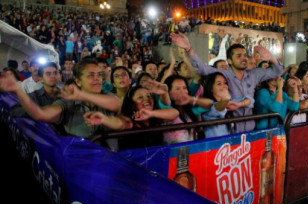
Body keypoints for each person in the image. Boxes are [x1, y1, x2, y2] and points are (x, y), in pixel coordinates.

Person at [170, 32, 284, 133]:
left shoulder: (254, 74)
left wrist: (272, 58)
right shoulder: (224, 75)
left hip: (250, 129)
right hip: (231, 130)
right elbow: (202, 69)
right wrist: (189, 49)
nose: (243, 58)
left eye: (244, 55)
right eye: (238, 56)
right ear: (229, 61)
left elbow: (278, 71)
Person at [0, 59, 131, 143]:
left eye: (99, 75)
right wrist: (17, 90)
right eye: (91, 75)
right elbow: (41, 114)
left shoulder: (107, 96)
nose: (97, 79)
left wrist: (82, 95)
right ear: (78, 81)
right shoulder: (66, 102)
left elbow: (116, 104)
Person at [120, 85, 179, 149]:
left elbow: (175, 113)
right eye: (140, 97)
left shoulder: (155, 117)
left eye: (148, 96)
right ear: (132, 104)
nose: (146, 99)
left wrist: (151, 114)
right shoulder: (127, 120)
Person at [162, 75, 213, 144]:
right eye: (177, 89)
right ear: (169, 93)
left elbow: (209, 104)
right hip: (172, 153)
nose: (183, 92)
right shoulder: (164, 108)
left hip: (191, 152)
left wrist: (190, 99)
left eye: (184, 88)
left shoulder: (189, 111)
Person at [202, 72, 254, 138]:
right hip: (215, 147)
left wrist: (239, 104)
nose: (224, 86)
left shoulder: (229, 101)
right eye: (219, 84)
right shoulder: (206, 105)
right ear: (211, 88)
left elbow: (251, 100)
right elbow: (217, 109)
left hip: (230, 145)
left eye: (225, 83)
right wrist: (225, 99)